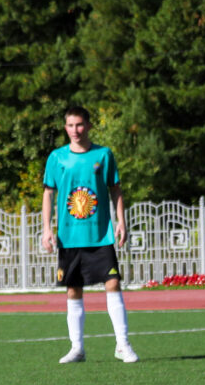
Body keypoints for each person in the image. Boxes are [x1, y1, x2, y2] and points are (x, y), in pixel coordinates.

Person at [40, 105, 138, 363]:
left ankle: (122, 344)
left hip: (100, 234)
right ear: (65, 128)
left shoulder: (103, 155)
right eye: (71, 125)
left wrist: (121, 222)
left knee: (113, 283)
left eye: (80, 124)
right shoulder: (57, 158)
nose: (75, 130)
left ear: (89, 126)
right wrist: (46, 228)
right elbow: (48, 193)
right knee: (73, 289)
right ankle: (77, 348)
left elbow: (115, 189)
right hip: (70, 237)